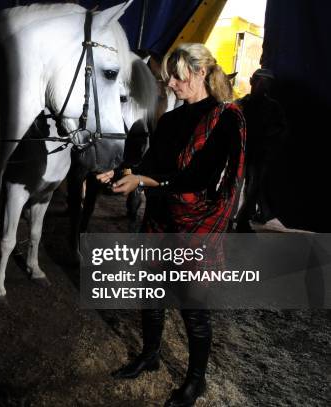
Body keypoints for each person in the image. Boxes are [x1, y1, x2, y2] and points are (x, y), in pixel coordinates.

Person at [97, 43, 246, 407]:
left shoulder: (226, 118)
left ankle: (196, 382)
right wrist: (119, 172)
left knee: (193, 308)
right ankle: (150, 356)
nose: (171, 85)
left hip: (195, 224)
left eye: (176, 78)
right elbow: (150, 162)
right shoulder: (171, 119)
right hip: (161, 216)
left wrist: (145, 183)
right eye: (168, 79)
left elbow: (195, 178)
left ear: (199, 73)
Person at [235, 68, 288, 231]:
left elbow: (281, 130)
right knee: (234, 187)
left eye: (266, 83)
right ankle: (228, 219)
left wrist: (267, 143)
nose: (262, 86)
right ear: (252, 81)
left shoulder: (273, 108)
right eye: (259, 81)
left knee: (253, 189)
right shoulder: (241, 104)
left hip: (259, 155)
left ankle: (242, 221)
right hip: (241, 154)